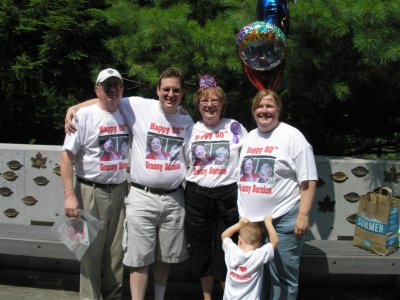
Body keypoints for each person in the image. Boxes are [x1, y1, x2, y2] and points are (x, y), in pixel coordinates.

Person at [65, 67, 193, 300]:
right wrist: (74, 107)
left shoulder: (186, 120)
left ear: (182, 94)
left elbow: (110, 95)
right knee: (130, 256)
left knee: (134, 255)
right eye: (166, 89)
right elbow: (106, 97)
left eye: (176, 90)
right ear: (157, 90)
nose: (170, 94)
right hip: (133, 195)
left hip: (161, 196)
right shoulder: (139, 106)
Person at [237, 89, 318, 300]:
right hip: (251, 222)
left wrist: (303, 215)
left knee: (282, 275)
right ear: (254, 111)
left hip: (283, 218)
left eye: (269, 106)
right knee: (253, 275)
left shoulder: (292, 136)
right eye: (260, 106)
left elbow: (308, 179)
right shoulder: (249, 137)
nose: (265, 110)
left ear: (278, 109)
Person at [60, 68, 129, 300]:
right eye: (106, 86)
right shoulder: (83, 116)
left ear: (121, 88)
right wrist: (69, 195)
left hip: (120, 192)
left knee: (116, 254)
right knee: (88, 254)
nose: (112, 90)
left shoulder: (127, 110)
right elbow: (66, 157)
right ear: (97, 89)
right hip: (88, 192)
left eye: (116, 85)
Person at [184, 75, 248, 300]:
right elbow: (183, 162)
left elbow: (248, 160)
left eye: (214, 101)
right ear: (198, 105)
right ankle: (207, 295)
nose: (210, 105)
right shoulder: (189, 130)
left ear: (222, 103)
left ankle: (228, 293)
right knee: (200, 249)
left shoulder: (235, 127)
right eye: (204, 101)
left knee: (227, 246)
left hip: (228, 196)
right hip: (197, 196)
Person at [221, 216, 279, 300]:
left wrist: (239, 224)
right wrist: (268, 223)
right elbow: (275, 242)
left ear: (239, 240)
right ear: (260, 245)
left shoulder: (232, 251)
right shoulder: (258, 255)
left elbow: (224, 235)